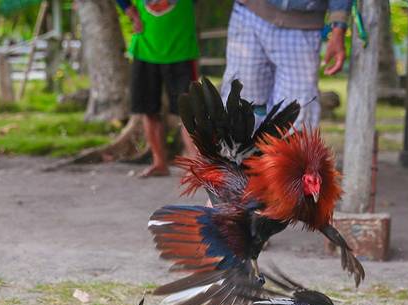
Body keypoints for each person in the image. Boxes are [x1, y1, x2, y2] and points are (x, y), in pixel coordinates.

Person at [221, 0, 350, 128]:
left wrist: (338, 26)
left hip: (303, 25)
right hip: (249, 13)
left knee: (295, 118)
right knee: (238, 110)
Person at [116, 0, 199, 177]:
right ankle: (159, 163)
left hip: (181, 50)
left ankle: (196, 166)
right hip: (145, 48)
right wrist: (128, 10)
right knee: (148, 110)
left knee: (189, 112)